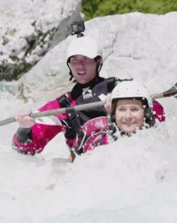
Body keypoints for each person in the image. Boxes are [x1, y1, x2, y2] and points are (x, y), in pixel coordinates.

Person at [12, 33, 165, 159]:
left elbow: (159, 115)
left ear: (98, 62)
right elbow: (26, 150)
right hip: (86, 169)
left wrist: (124, 104)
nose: (80, 65)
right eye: (74, 60)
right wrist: (24, 129)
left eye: (86, 59)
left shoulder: (121, 88)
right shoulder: (63, 105)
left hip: (129, 158)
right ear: (69, 65)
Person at [68, 80, 159, 153]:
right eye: (122, 109)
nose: (127, 116)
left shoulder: (158, 138)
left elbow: (159, 111)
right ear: (114, 114)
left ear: (145, 112)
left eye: (134, 109)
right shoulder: (99, 144)